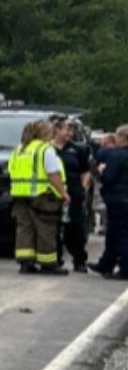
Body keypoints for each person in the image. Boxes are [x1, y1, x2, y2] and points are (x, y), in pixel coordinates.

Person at [9, 118, 68, 275]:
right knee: (45, 229)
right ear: (45, 133)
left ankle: (25, 263)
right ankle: (48, 264)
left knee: (24, 228)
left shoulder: (19, 149)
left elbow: (11, 170)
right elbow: (52, 175)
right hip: (42, 195)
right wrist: (63, 193)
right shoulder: (45, 149)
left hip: (19, 195)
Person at [54, 117, 93, 272]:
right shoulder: (47, 149)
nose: (70, 133)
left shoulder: (78, 149)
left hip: (73, 193)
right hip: (53, 193)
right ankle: (55, 259)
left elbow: (85, 171)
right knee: (53, 228)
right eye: (66, 129)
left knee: (75, 228)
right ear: (56, 129)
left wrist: (83, 187)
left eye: (72, 130)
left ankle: (79, 260)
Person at [93, 125, 128, 278]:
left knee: (118, 234)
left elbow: (109, 177)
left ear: (123, 138)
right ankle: (106, 263)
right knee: (117, 233)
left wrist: (100, 172)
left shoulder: (118, 155)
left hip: (118, 199)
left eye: (117, 137)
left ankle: (123, 268)